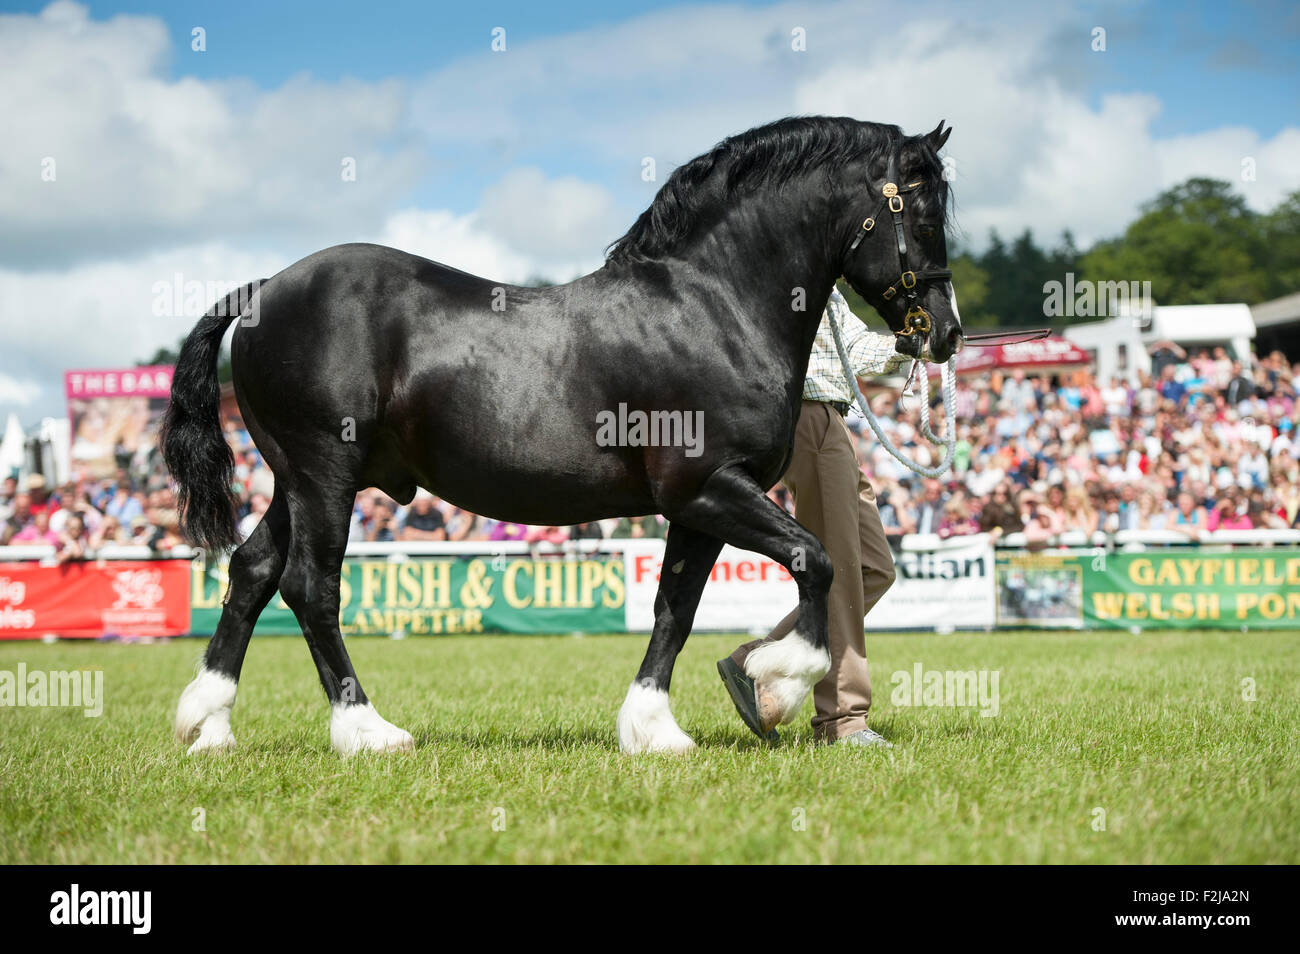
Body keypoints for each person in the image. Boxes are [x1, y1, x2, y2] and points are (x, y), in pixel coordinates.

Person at [717, 287, 915, 748]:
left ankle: (755, 660)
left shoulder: (826, 286)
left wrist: (909, 344)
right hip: (808, 414)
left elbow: (854, 345)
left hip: (831, 420)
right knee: (843, 571)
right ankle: (843, 721)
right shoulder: (786, 271)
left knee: (871, 569)